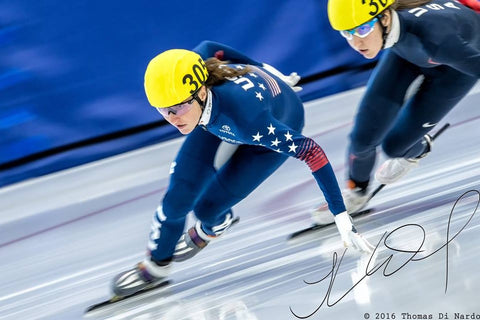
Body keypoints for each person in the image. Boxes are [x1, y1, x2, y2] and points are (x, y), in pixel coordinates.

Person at [111, 41, 374, 297]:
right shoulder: (192, 77)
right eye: (164, 110)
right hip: (217, 117)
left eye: (178, 107)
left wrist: (341, 217)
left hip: (269, 126)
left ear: (201, 92)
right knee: (177, 198)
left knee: (206, 210)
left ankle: (217, 224)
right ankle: (155, 266)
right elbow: (210, 47)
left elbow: (312, 152)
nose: (173, 118)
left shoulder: (246, 120)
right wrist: (263, 68)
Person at [313, 0, 480, 223]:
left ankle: (418, 149)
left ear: (385, 18)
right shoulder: (396, 27)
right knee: (362, 139)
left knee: (395, 147)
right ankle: (356, 191)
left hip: (454, 69)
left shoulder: (436, 37)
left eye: (363, 29)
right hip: (408, 54)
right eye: (347, 33)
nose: (356, 42)